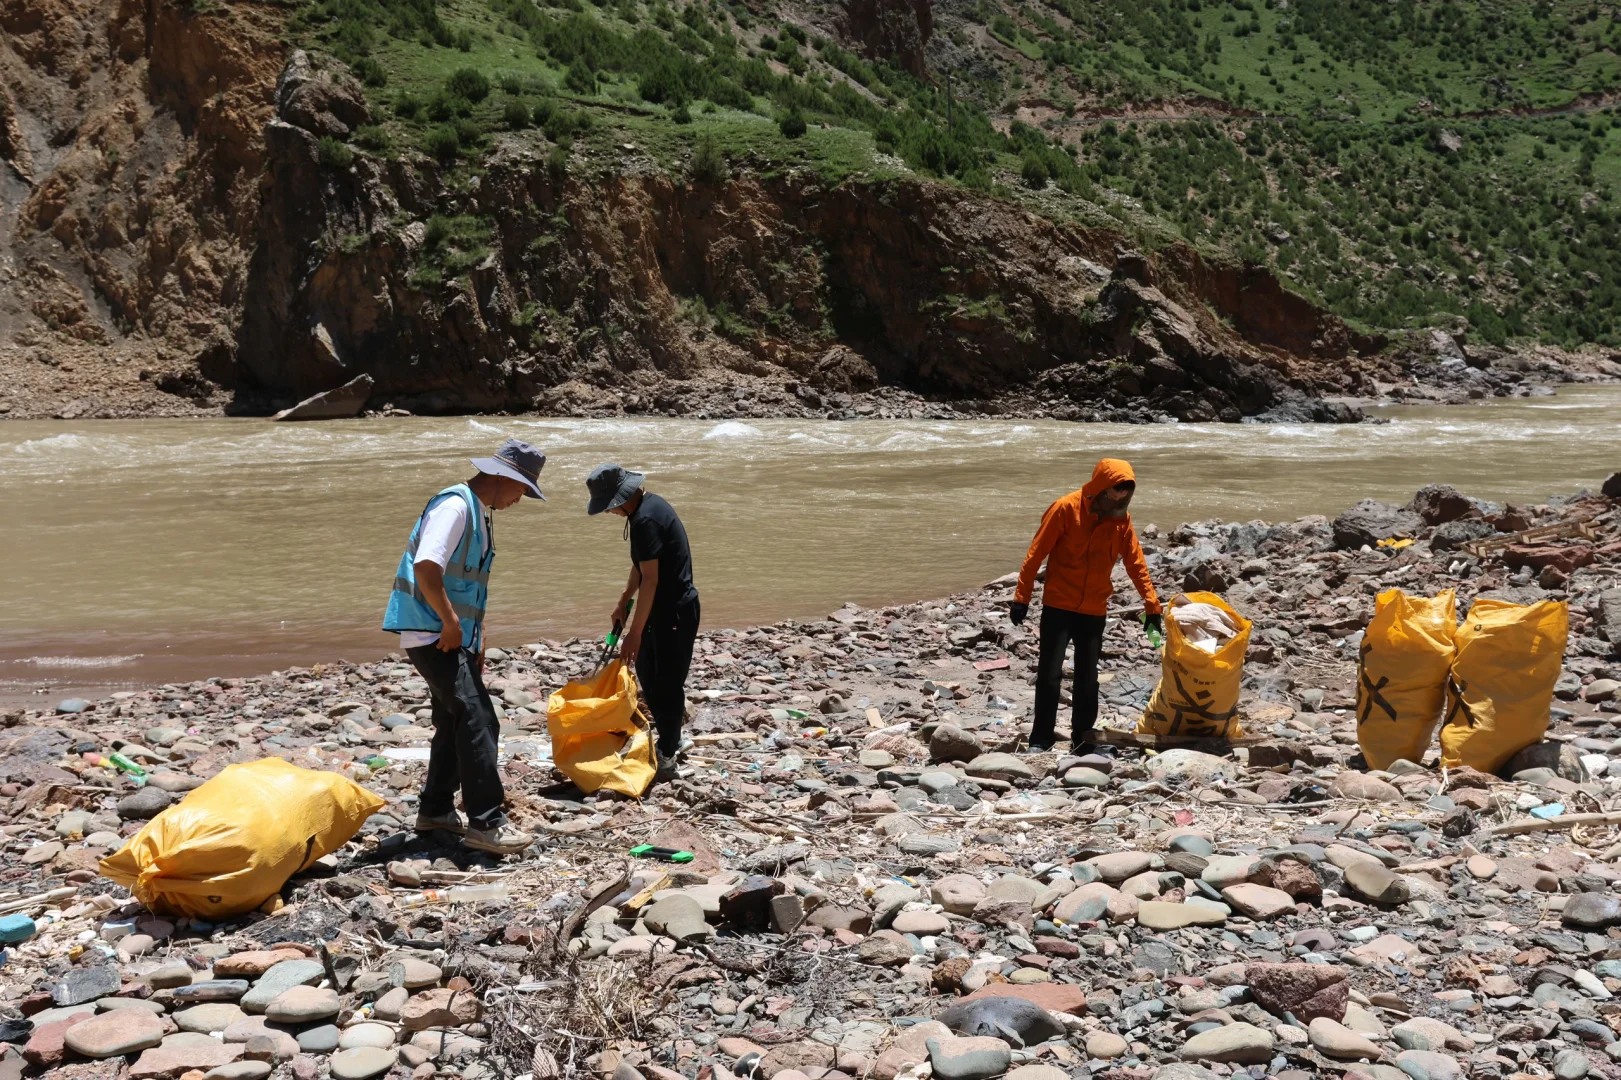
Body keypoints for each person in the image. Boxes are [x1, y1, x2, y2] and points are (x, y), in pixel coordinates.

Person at [381, 438, 544, 855]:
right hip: (433, 634)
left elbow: (465, 582)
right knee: (478, 719)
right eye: (523, 490)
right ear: (504, 478)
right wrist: (451, 624)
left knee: (455, 719)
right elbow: (426, 567)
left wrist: (475, 636)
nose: (520, 500)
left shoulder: (476, 511)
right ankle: (486, 823)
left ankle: (435, 810)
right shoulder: (455, 506)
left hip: (451, 637)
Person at [1010, 458, 1163, 752]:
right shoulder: (1066, 508)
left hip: (1094, 609)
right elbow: (1036, 553)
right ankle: (1040, 739)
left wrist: (1151, 606)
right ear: (1100, 487)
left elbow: (1136, 564)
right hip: (1058, 605)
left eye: (1125, 492)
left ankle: (1082, 739)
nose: (1119, 497)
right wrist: (1022, 596)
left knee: (1087, 676)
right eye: (1115, 491)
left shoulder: (1121, 522)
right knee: (1050, 674)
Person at [586, 464, 700, 782]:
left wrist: (634, 634)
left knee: (665, 682)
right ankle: (671, 736)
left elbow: (651, 580)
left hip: (674, 611)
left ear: (621, 498)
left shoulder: (647, 519)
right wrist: (623, 601)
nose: (609, 513)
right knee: (650, 676)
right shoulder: (645, 510)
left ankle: (668, 752)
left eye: (609, 506)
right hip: (660, 611)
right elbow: (641, 566)